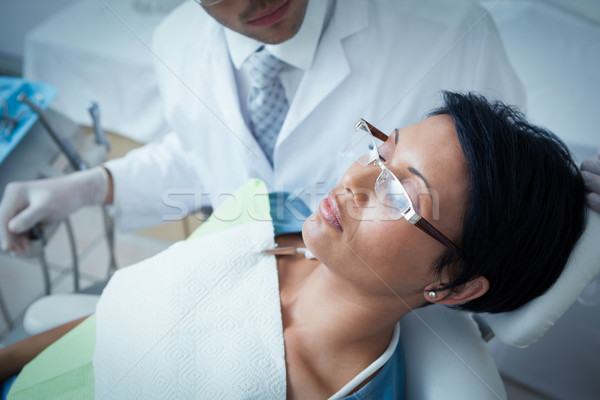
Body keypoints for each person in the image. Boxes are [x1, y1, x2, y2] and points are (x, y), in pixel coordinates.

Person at [0, 92, 588, 399]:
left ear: (454, 285)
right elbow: (115, 319)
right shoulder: (271, 211)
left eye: (401, 195)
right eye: (380, 152)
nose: (354, 181)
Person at [0, 0, 534, 255]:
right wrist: (92, 185)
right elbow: (208, 157)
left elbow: (511, 200)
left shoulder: (449, 31)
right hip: (249, 287)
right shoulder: (175, 40)